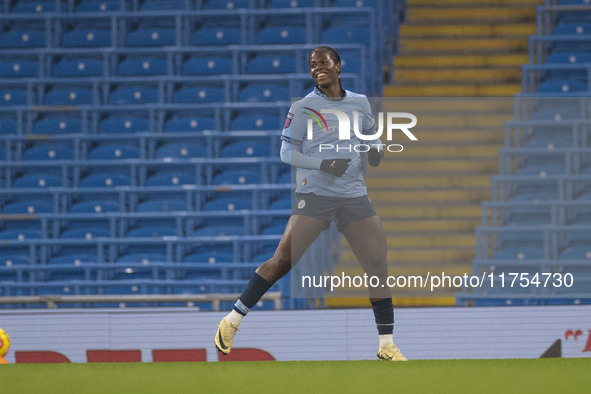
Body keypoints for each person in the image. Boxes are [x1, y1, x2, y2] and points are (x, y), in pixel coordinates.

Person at [214, 46, 407, 361]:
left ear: (338, 66)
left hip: (353, 195)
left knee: (377, 265)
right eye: (312, 64)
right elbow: (286, 153)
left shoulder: (360, 104)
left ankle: (387, 345)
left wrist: (376, 151)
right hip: (315, 194)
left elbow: (375, 145)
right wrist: (322, 164)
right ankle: (232, 319)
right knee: (283, 262)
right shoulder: (304, 107)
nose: (317, 67)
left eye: (323, 62)